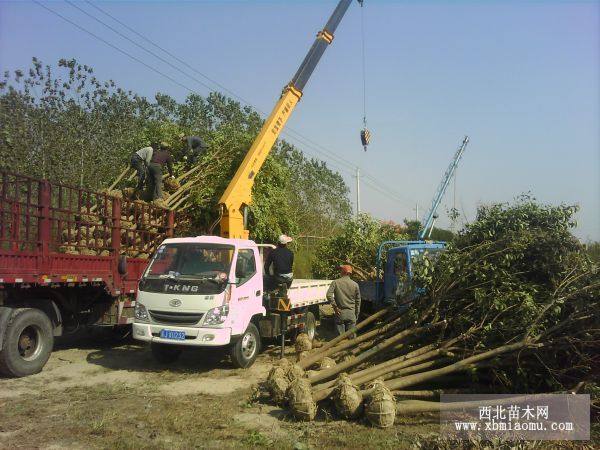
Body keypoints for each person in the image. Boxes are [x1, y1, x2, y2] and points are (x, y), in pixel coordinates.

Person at [326, 265, 361, 336]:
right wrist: (356, 314)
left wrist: (335, 307)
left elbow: (328, 295)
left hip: (340, 313)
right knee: (351, 338)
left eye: (341, 270)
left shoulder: (335, 282)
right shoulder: (355, 285)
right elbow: (358, 301)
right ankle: (352, 347)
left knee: (340, 338)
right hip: (351, 313)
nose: (340, 272)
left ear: (343, 272)